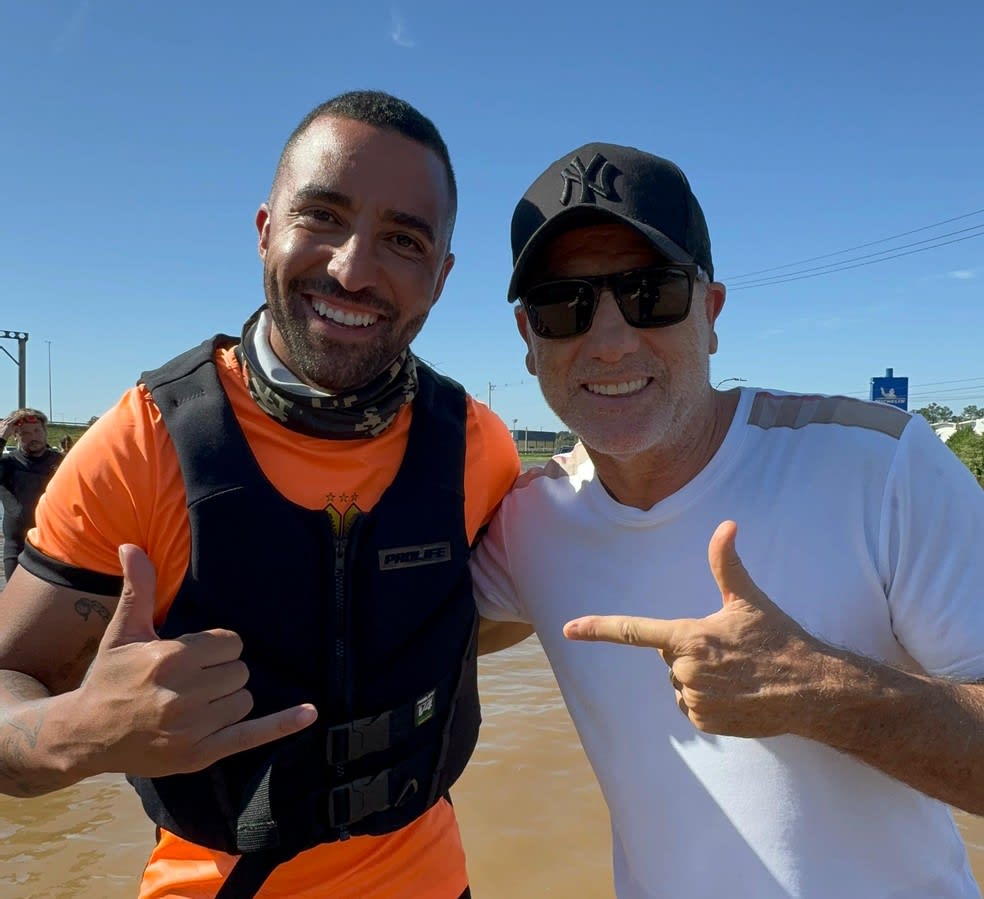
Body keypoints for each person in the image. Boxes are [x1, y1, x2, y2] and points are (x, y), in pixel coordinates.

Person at [0, 91, 519, 898]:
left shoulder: (479, 447)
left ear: (442, 276)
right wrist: (83, 731)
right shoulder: (144, 445)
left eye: (403, 240)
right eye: (322, 216)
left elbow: (513, 605)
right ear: (265, 229)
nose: (352, 268)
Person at [473, 142, 984, 898]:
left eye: (651, 293)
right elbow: (406, 638)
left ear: (710, 313)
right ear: (528, 340)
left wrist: (823, 690)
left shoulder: (882, 467)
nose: (610, 341)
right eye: (564, 305)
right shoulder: (528, 525)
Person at [0, 408, 63, 582]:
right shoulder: (8, 464)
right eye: (25, 433)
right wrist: (1, 438)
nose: (33, 437)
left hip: (55, 549)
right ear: (16, 436)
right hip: (17, 549)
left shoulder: (62, 462)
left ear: (45, 431)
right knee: (16, 607)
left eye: (36, 431)